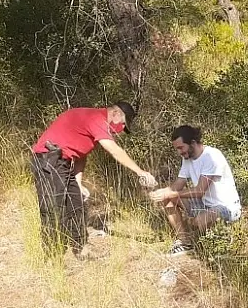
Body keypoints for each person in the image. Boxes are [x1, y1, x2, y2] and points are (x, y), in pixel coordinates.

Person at [30, 101, 157, 258]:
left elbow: (80, 157)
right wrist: (140, 172)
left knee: (77, 204)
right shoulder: (96, 118)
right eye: (123, 124)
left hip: (63, 163)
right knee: (53, 208)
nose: (121, 129)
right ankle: (52, 257)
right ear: (116, 113)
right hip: (48, 159)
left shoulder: (92, 124)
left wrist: (78, 183)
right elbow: (114, 150)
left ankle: (80, 249)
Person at [149, 125, 241, 256]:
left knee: (199, 221)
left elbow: (199, 191)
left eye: (181, 147)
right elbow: (178, 185)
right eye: (177, 149)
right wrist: (162, 193)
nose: (179, 152)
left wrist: (170, 192)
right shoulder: (187, 158)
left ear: (193, 143)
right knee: (167, 198)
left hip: (226, 208)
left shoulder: (212, 156)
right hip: (205, 205)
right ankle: (185, 242)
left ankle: (218, 243)